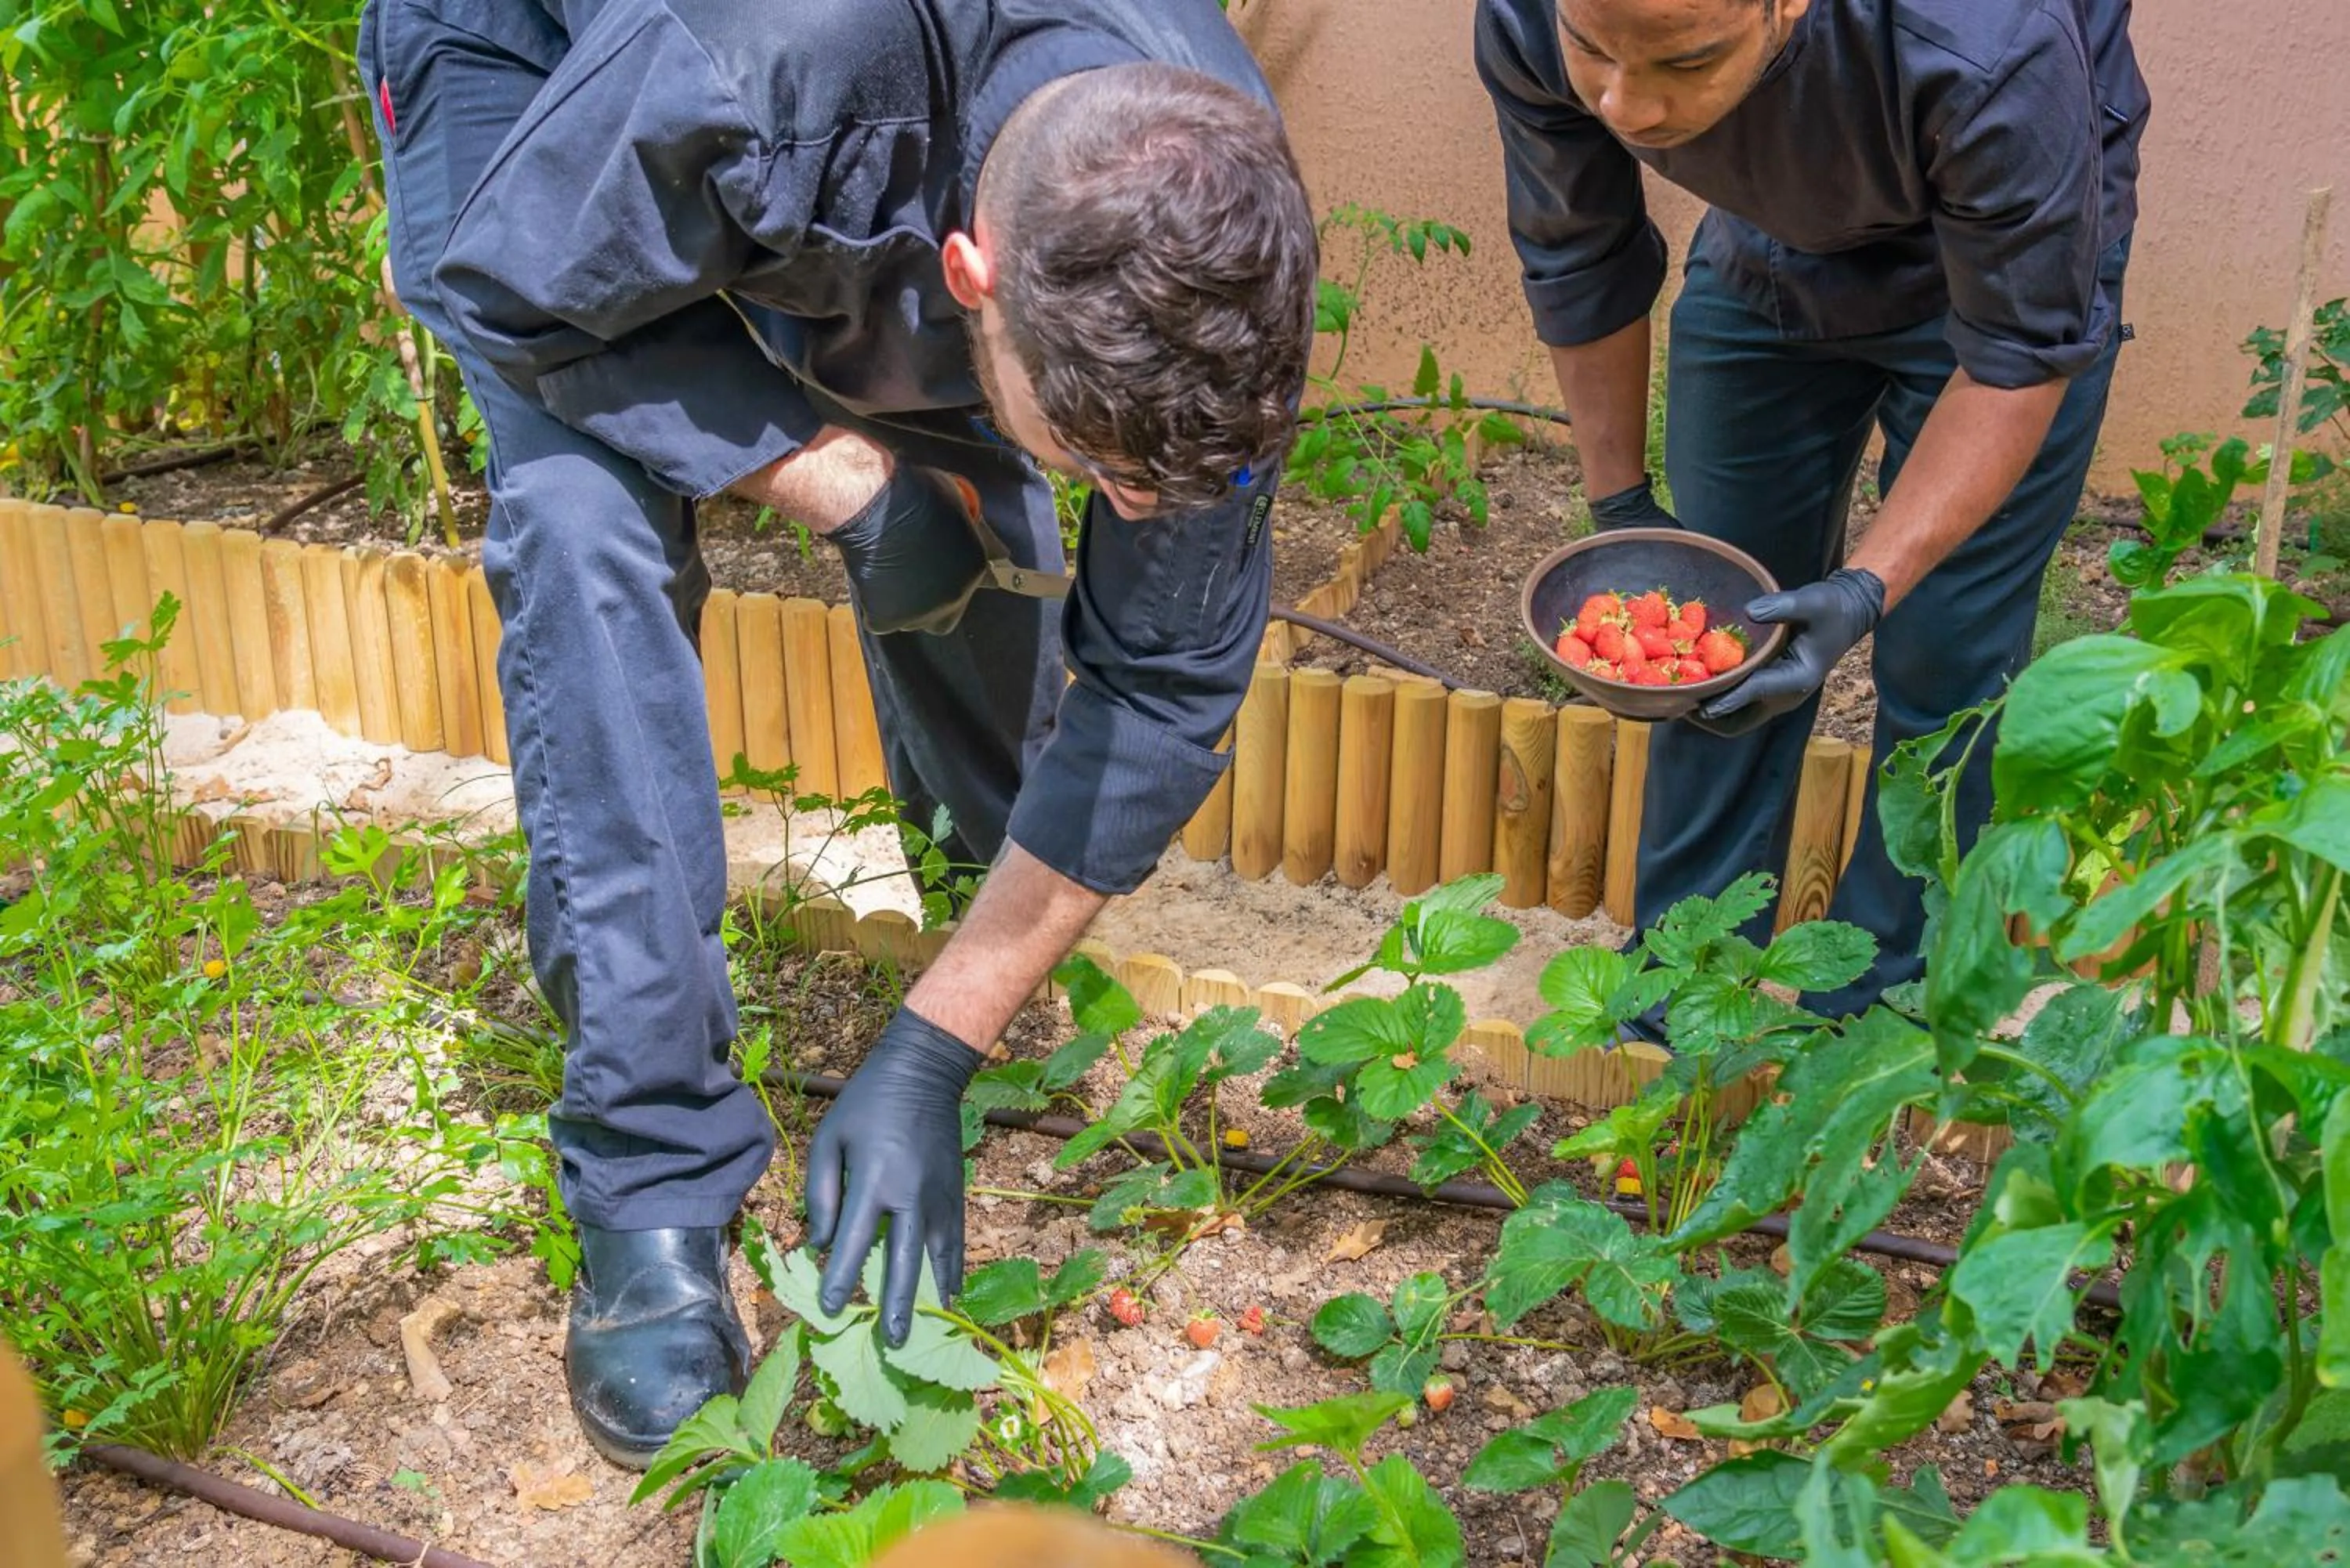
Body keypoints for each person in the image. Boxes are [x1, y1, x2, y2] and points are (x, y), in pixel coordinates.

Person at [357, 0, 1315, 1467]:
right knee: (586, 533)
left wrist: (938, 1041)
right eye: (1103, 476)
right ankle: (651, 1175)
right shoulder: (752, 66)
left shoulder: (1211, 207)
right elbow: (514, 290)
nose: (1129, 509)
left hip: (844, 117)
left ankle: (976, 903)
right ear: (969, 273)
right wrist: (850, 487)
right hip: (537, 73)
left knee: (983, 498)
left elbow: (1167, 680)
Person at [1474, 0, 2146, 1028]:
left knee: (1947, 654)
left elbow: (2017, 359)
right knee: (1728, 604)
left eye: (1683, 62)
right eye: (1594, 51)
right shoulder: (1536, 13)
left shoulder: (1988, 50)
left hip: (2007, 263)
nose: (1624, 101)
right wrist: (1620, 510)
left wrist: (1865, 587)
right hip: (1777, 234)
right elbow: (1579, 254)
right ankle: (1685, 981)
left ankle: (1885, 1015)